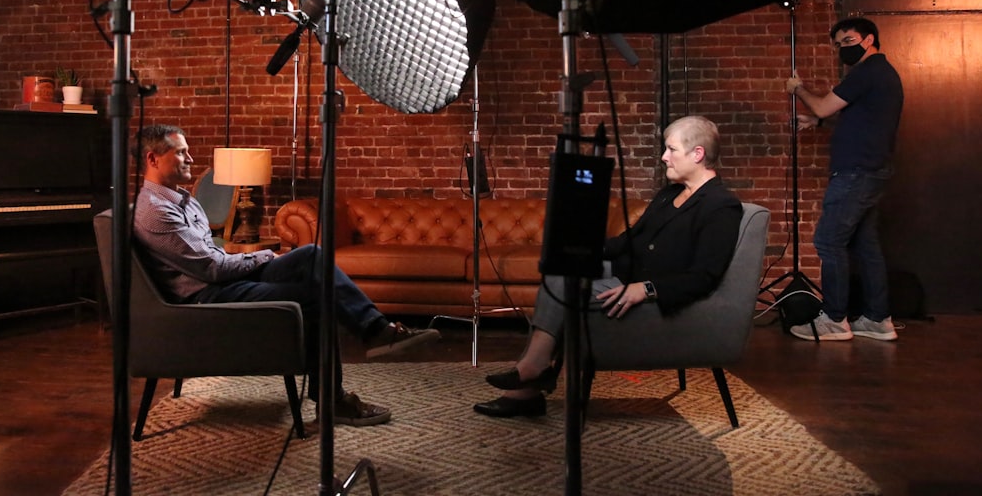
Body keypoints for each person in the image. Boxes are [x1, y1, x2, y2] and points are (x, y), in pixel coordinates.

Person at [131, 124, 440, 427]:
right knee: (314, 296)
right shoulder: (156, 211)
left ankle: (376, 329)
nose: (191, 159)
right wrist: (265, 255)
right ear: (152, 159)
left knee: (310, 256)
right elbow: (211, 268)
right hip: (205, 296)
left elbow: (213, 258)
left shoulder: (183, 199)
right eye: (181, 153)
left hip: (222, 280)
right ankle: (334, 400)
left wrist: (256, 259)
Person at [474, 115, 743, 418]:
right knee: (562, 266)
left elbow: (705, 276)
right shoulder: (670, 194)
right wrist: (583, 249)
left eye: (671, 149)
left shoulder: (720, 206)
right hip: (624, 273)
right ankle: (531, 377)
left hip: (652, 292)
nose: (664, 157)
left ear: (698, 154)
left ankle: (529, 377)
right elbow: (631, 240)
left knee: (567, 285)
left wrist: (648, 288)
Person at [784, 17, 903, 342]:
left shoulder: (867, 72)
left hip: (856, 172)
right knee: (865, 245)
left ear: (869, 40)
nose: (841, 49)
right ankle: (878, 320)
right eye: (837, 44)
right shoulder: (882, 75)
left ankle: (834, 320)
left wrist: (799, 90)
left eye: (848, 42)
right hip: (872, 170)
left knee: (828, 241)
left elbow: (823, 106)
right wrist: (818, 124)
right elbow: (865, 122)